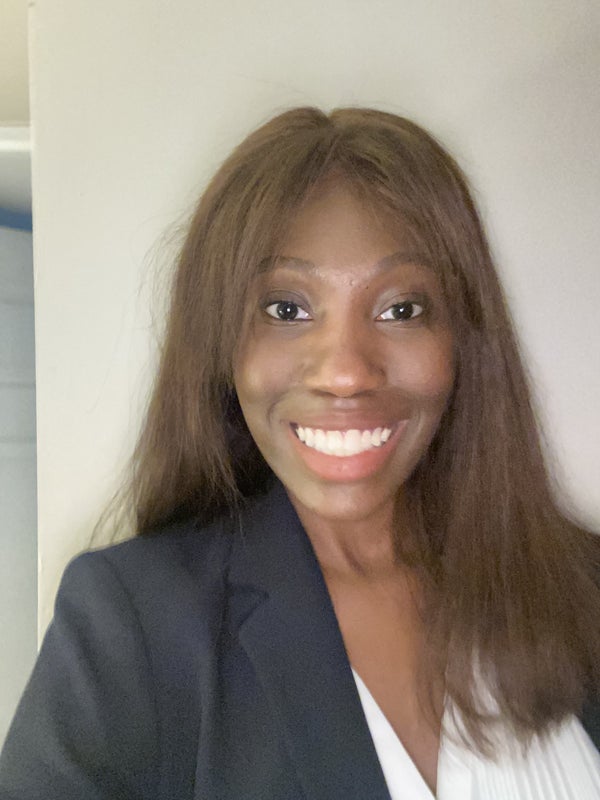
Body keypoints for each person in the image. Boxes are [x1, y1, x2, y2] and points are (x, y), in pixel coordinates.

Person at [1, 107, 599, 800]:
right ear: (222, 345)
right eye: (286, 309)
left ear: (464, 339)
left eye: (401, 309)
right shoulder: (133, 626)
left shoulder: (582, 585)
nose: (345, 374)